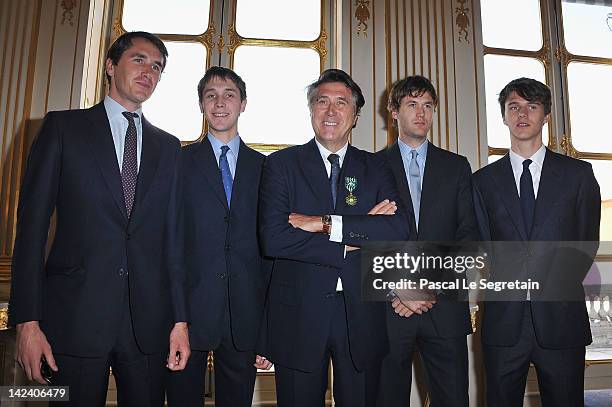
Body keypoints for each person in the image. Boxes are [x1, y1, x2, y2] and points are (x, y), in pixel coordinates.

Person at [10, 31, 189, 406]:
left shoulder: (169, 148)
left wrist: (179, 321)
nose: (149, 72)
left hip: (148, 328)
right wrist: (27, 323)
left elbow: (173, 241)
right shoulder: (62, 128)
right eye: (139, 60)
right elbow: (31, 230)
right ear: (110, 66)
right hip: (74, 319)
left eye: (157, 67)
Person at [258, 68, 409, 407]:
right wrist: (357, 235)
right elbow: (274, 239)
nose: (330, 111)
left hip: (362, 314)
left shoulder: (377, 167)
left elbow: (397, 230)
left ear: (355, 116)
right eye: (321, 101)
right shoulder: (281, 165)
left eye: (341, 103)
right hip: (296, 315)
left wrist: (322, 223)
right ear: (311, 110)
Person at [473, 77, 600, 406]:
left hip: (561, 317)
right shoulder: (482, 182)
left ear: (546, 116)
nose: (522, 114)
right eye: (514, 106)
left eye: (532, 106)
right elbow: (483, 246)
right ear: (503, 116)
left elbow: (586, 242)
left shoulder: (578, 175)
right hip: (504, 320)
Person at [166, 66, 272, 407]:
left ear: (243, 104)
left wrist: (268, 330)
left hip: (245, 317)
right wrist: (175, 315)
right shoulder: (178, 163)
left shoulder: (267, 168)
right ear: (201, 105)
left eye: (229, 95)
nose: (220, 102)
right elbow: (170, 241)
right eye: (211, 96)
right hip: (188, 314)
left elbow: (271, 252)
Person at [377, 75, 478, 406]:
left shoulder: (457, 167)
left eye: (428, 106)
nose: (421, 113)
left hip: (444, 306)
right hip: (390, 311)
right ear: (393, 112)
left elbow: (468, 235)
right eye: (411, 105)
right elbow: (365, 238)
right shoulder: (371, 167)